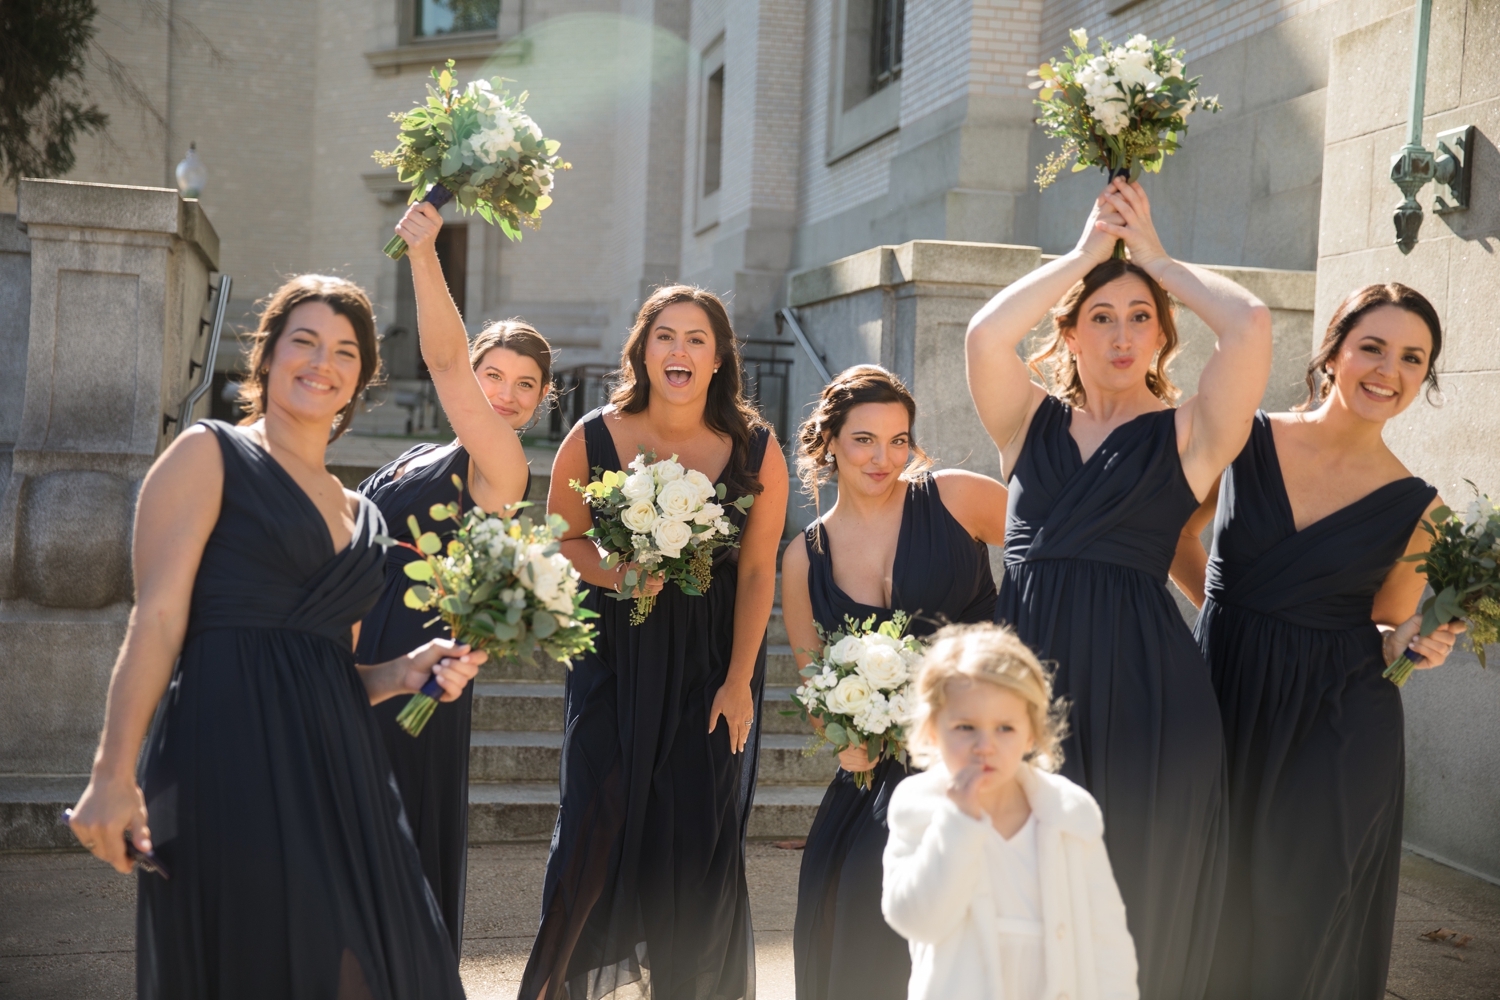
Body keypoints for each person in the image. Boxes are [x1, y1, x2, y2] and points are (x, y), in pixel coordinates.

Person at [65, 274, 487, 998]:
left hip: (344, 771)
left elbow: (331, 668)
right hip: (225, 750)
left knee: (396, 968)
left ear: (360, 380)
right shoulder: (209, 454)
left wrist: (403, 670)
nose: (323, 362)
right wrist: (113, 775)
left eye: (345, 352)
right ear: (266, 358)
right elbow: (157, 620)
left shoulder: (365, 515)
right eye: (305, 341)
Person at [964, 176, 1273, 998]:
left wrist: (1158, 260)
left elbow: (1249, 324)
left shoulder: (1188, 433)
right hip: (1023, 688)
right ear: (1066, 330)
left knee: (1131, 892)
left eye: (1142, 318)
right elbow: (986, 333)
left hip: (1148, 694)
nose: (1122, 333)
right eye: (1100, 315)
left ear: (1165, 334)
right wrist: (1082, 256)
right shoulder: (1024, 422)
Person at [1169, 283, 1467, 1000]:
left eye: (1410, 358)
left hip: (1337, 716)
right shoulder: (1246, 435)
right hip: (1226, 689)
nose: (1386, 370)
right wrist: (1226, 612)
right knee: (1204, 897)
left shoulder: (1421, 506)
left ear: (1423, 378)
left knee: (1294, 913)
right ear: (1333, 350)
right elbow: (1173, 531)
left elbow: (1386, 624)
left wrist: (1419, 642)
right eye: (1372, 347)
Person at [520, 285, 789, 1000]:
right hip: (616, 657)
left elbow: (760, 569)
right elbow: (558, 540)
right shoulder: (595, 436)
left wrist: (739, 682)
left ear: (719, 357)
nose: (680, 350)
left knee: (695, 844)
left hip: (710, 666)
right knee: (593, 832)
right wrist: (618, 571)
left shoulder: (757, 449)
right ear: (642, 348)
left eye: (697, 338)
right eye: (665, 335)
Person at [356, 201, 553, 957]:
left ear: (540, 402)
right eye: (491, 375)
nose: (505, 393)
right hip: (359, 645)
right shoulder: (417, 458)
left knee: (400, 834)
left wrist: (424, 253)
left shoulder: (500, 465)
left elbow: (442, 360)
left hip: (415, 661)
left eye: (524, 385)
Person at [781, 364, 1005, 1000]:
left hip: (980, 746)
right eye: (864, 440)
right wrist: (841, 735)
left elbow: (1052, 557)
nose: (884, 458)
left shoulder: (957, 497)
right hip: (877, 769)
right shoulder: (804, 559)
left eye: (899, 439)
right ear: (829, 445)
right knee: (848, 897)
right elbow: (813, 683)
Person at [882, 623, 1138, 1000]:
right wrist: (958, 822)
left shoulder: (1068, 811)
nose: (984, 746)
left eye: (1005, 728)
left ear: (1031, 733)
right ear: (934, 730)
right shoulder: (919, 804)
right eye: (966, 726)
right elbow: (915, 918)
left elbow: (1108, 938)